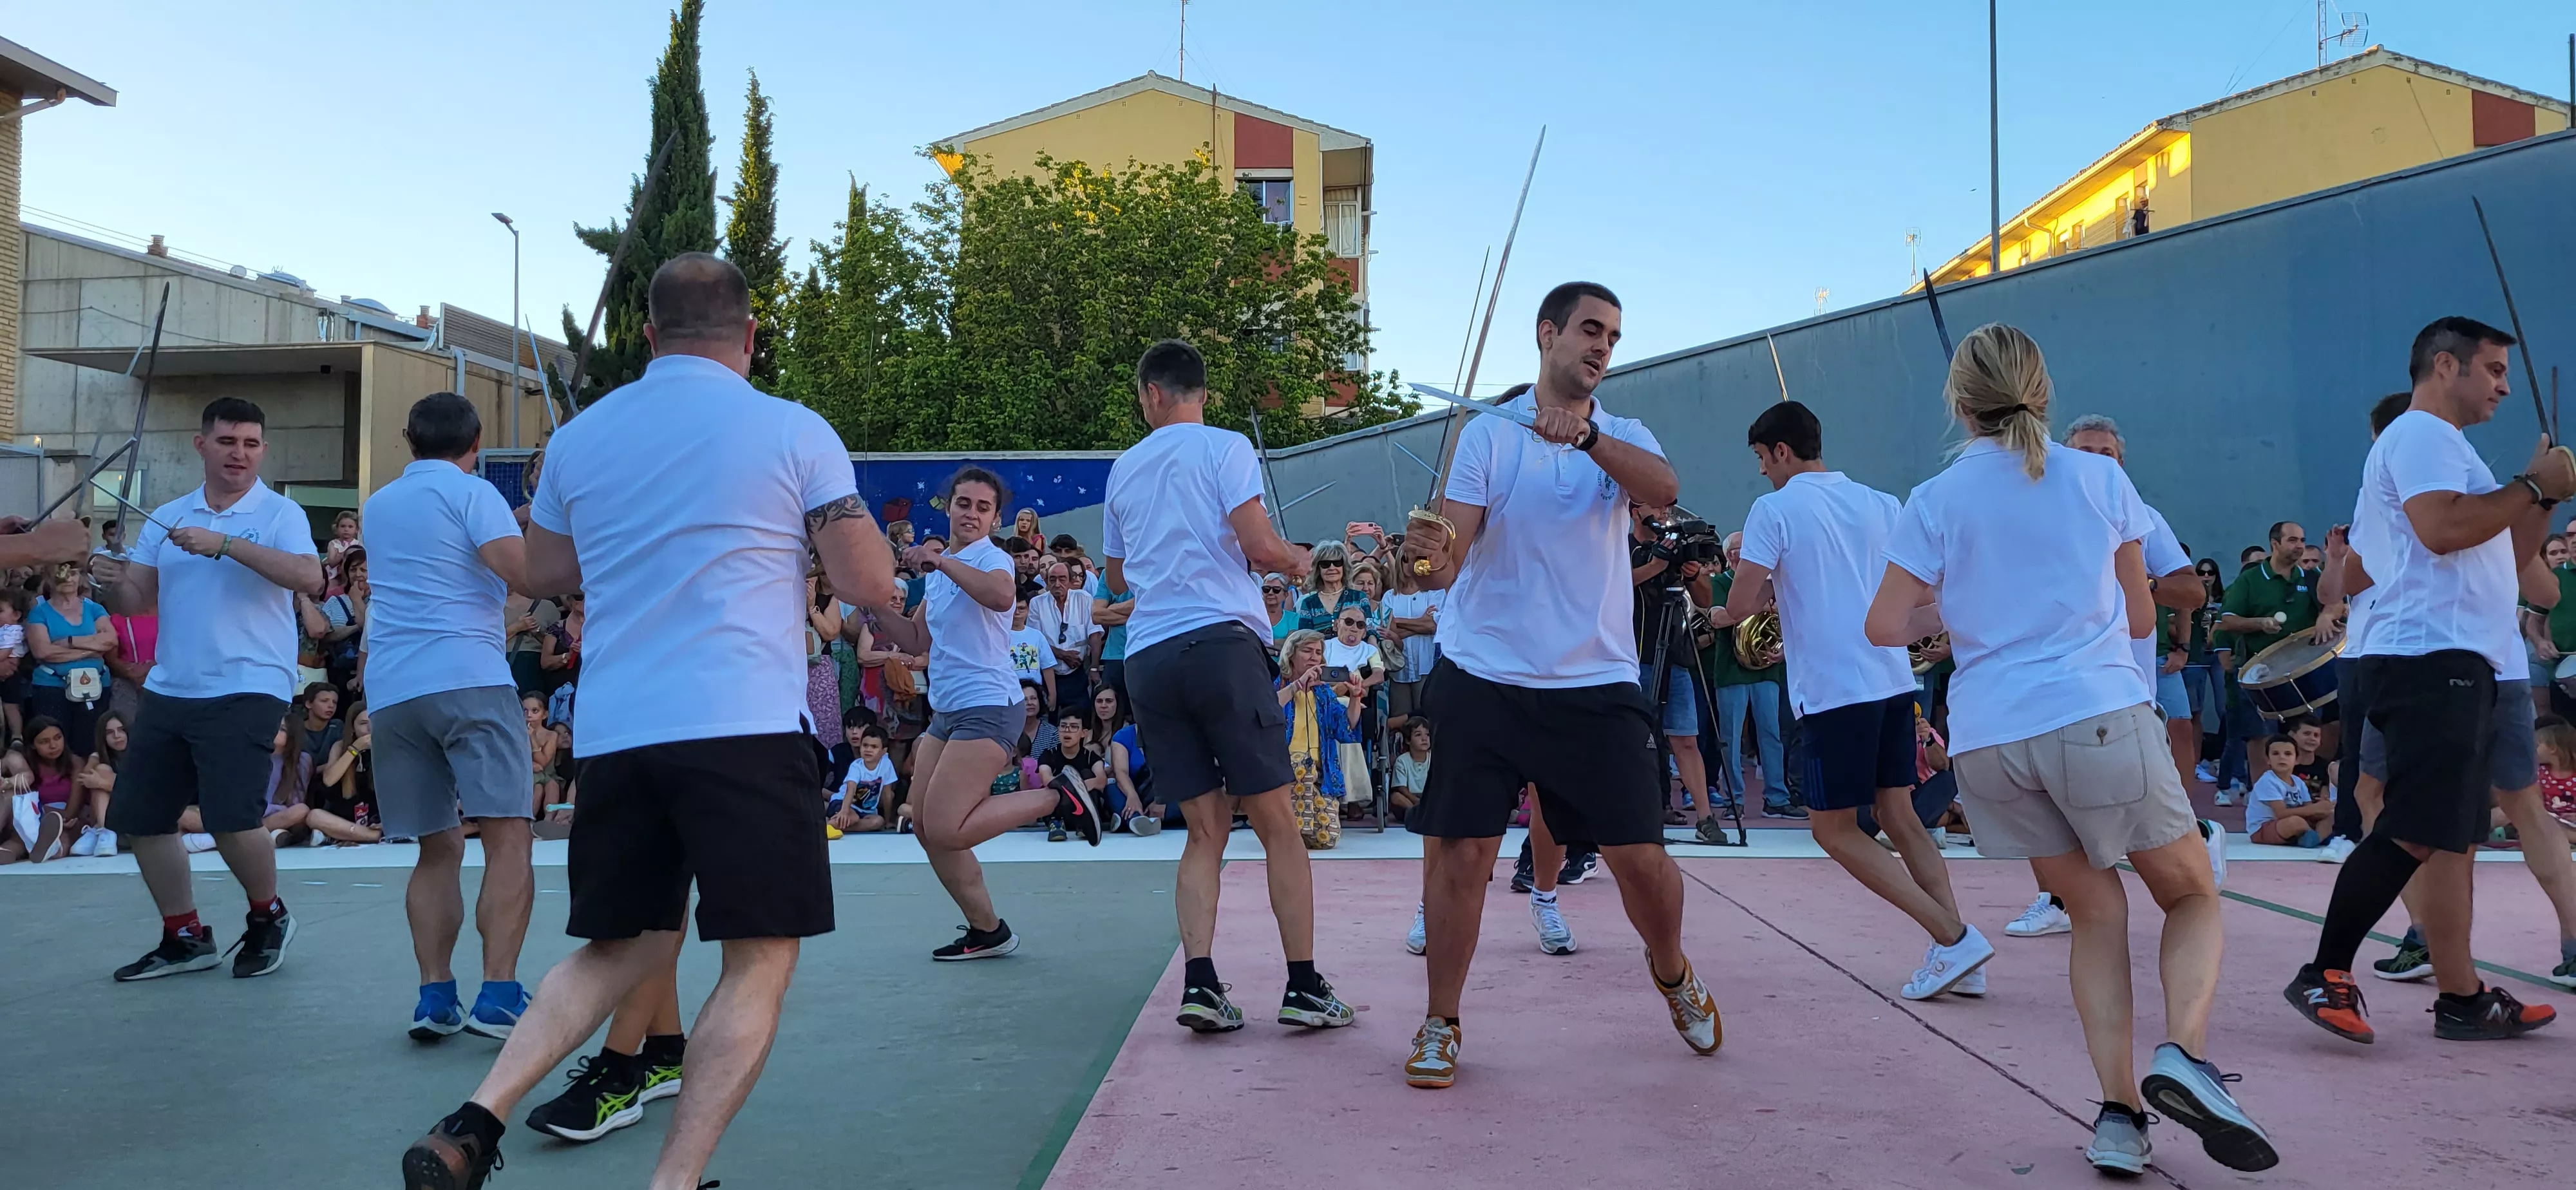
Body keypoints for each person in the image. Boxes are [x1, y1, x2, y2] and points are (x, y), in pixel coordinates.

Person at [401, 253, 902, 1190]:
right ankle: (674, 1183)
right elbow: (864, 583)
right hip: (746, 723)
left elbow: (547, 574)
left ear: (647, 337)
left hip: (622, 730)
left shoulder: (584, 439)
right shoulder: (793, 429)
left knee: (615, 947)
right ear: (751, 336)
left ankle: (475, 1119)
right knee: (757, 960)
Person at [1865, 323, 2273, 1175]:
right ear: (2042, 393)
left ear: (1961, 403)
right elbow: (2136, 617)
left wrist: (1957, 609)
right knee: (2192, 895)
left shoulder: (1934, 499)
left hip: (1989, 742)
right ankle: (2185, 1058)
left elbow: (1884, 625)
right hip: (2094, 715)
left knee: (2095, 913)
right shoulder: (2099, 479)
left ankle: (2119, 1117)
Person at [1396, 282, 1718, 1090]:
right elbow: (1446, 559)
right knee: (1464, 853)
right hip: (1484, 674)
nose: (1602, 346)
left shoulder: (1624, 434)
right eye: (1587, 330)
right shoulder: (1487, 438)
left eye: (1612, 335)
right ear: (1547, 336)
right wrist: (1423, 556)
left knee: (1639, 859)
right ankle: (1441, 1021)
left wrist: (1585, 439)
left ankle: (1673, 972)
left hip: (1594, 680)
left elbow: (1663, 489)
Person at [2285, 316, 2567, 1047]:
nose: (2503, 386)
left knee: (2447, 839)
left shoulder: (2449, 449)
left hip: (2456, 660)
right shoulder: (2418, 437)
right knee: (2413, 831)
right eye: (2494, 370)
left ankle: (2462, 997)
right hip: (2427, 659)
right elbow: (2442, 529)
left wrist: (2540, 497)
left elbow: (2509, 559)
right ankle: (2325, 971)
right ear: (2446, 366)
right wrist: (2531, 483)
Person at [1103, 337, 1353, 1036]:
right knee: (1277, 823)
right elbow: (1261, 548)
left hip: (1149, 656)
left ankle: (1201, 984)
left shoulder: (1124, 468)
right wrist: (1297, 560)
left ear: (1151, 393)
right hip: (1220, 643)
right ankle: (1302, 986)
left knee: (1204, 831)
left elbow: (1117, 575)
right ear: (1199, 392)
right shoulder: (1225, 447)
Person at [1717, 399, 1989, 999]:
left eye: (1763, 458)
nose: (1763, 470)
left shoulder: (1773, 508)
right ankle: (1960, 952)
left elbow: (1739, 606)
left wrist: (1722, 609)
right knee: (1899, 815)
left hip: (1835, 692)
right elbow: (1903, 588)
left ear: (1781, 451)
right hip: (1892, 681)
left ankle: (1953, 936)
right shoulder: (1881, 502)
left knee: (1833, 831)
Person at [89, 397, 323, 983]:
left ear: (263, 450)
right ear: (202, 445)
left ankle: (268, 916)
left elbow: (309, 576)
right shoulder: (168, 515)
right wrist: (111, 579)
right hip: (172, 684)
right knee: (141, 817)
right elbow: (136, 601)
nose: (239, 454)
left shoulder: (279, 513)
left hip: (249, 681)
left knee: (230, 816)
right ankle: (184, 934)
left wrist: (225, 545)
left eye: (249, 443)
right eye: (226, 442)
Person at [359, 391, 542, 1043]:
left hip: (393, 688)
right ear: (477, 440)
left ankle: (434, 996)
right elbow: (524, 574)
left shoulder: (378, 506)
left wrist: (512, 520)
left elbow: (439, 556)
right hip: (468, 676)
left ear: (408, 436)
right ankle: (498, 993)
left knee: (436, 848)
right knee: (507, 836)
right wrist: (545, 532)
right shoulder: (474, 495)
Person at [873, 467, 1106, 962]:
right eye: (963, 504)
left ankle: (1056, 798)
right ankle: (988, 930)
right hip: (948, 711)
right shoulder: (942, 573)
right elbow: (917, 640)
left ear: (996, 517)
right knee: (924, 826)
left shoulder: (992, 558)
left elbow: (1002, 595)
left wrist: (938, 562)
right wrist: (873, 606)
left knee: (949, 827)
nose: (971, 513)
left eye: (983, 507)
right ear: (949, 508)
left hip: (989, 705)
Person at [2213, 522, 2322, 800]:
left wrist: (2328, 615)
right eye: (2293, 541)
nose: (2299, 546)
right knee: (2259, 737)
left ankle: (2306, 796)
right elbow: (2227, 621)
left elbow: (2334, 605)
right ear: (2275, 544)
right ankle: (2264, 800)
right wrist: (2259, 623)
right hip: (2258, 671)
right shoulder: (2250, 580)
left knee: (2308, 735)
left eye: (2302, 540)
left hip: (2303, 671)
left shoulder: (2312, 577)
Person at [1631, 503, 1718, 834]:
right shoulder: (1620, 546)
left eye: (1668, 508)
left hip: (1676, 656)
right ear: (1634, 510)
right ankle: (1638, 810)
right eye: (1655, 506)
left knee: (1685, 738)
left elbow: (1706, 600)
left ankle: (1706, 819)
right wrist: (1656, 565)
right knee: (1636, 738)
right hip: (1634, 655)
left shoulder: (1676, 548)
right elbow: (1613, 585)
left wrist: (1693, 574)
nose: (1664, 514)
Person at [1707, 532, 1793, 819]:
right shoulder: (1720, 582)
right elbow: (1717, 618)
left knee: (1772, 735)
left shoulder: (1769, 585)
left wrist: (1784, 649)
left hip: (1766, 668)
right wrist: (1753, 607)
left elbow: (1789, 619)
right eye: (1744, 550)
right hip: (1731, 671)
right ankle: (1735, 799)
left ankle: (1777, 798)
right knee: (1730, 739)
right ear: (1731, 555)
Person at [28, 563, 115, 760]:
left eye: (73, 573)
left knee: (93, 747)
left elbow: (110, 640)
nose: (67, 579)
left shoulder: (95, 609)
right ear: (49, 577)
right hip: (53, 688)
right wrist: (91, 650)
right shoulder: (39, 613)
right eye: (60, 573)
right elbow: (43, 651)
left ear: (80, 578)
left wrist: (70, 642)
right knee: (57, 751)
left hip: (97, 685)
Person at [1378, 557, 1444, 733]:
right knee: (1401, 725)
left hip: (1426, 666)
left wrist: (1397, 623)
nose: (1410, 564)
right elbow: (1387, 630)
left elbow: (1434, 626)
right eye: (1405, 559)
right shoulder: (1390, 596)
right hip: (1398, 669)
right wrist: (1421, 623)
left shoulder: (1434, 593)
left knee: (1428, 720)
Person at [307, 703, 384, 844]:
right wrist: (355, 749)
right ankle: (373, 836)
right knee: (314, 816)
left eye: (374, 722)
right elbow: (329, 780)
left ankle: (360, 835)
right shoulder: (340, 747)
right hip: (346, 821)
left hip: (378, 818)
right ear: (353, 728)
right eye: (363, 723)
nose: (369, 728)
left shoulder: (389, 747)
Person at [1030, 558, 1100, 712]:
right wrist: (1063, 655)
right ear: (1046, 581)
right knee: (1051, 717)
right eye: (1052, 579)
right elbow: (1035, 641)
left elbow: (1094, 635)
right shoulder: (1037, 603)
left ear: (1071, 581)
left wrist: (1094, 668)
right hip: (1048, 673)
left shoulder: (1084, 599)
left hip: (1079, 670)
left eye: (1062, 579)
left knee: (1081, 715)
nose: (1057, 584)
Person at [66, 710, 129, 856]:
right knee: (100, 770)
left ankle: (101, 829)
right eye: (109, 733)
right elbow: (86, 777)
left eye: (121, 730)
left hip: (136, 815)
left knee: (99, 777)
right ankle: (103, 830)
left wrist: (101, 782)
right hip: (114, 818)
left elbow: (138, 792)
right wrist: (94, 758)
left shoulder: (141, 755)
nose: (117, 736)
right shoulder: (102, 757)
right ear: (103, 738)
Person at [829, 724, 898, 835]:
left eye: (874, 747)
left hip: (866, 812)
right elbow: (850, 790)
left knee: (878, 822)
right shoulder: (856, 766)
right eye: (865, 745)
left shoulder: (886, 764)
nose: (868, 750)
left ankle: (835, 825)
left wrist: (888, 821)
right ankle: (830, 825)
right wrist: (844, 811)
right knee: (853, 817)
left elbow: (887, 794)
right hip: (843, 803)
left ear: (884, 751)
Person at [1296, 541, 1369, 633]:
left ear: (1344, 567)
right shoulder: (1308, 603)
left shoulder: (1359, 598)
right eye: (1325, 564)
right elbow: (1304, 636)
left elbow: (1369, 630)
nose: (1332, 568)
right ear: (1318, 569)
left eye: (1337, 563)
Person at [1390, 717, 1433, 818]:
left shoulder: (1434, 758)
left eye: (1427, 735)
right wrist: (1416, 801)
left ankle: (1423, 814)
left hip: (1429, 797)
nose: (1424, 739)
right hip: (1410, 799)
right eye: (1418, 735)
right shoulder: (1402, 761)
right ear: (1408, 740)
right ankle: (1417, 814)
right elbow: (1401, 788)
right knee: (1396, 797)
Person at [1260, 572, 1297, 643]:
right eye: (1266, 589)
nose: (1270, 593)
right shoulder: (1255, 616)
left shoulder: (1293, 617)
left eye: (1276, 590)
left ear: (1286, 595)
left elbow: (1290, 644)